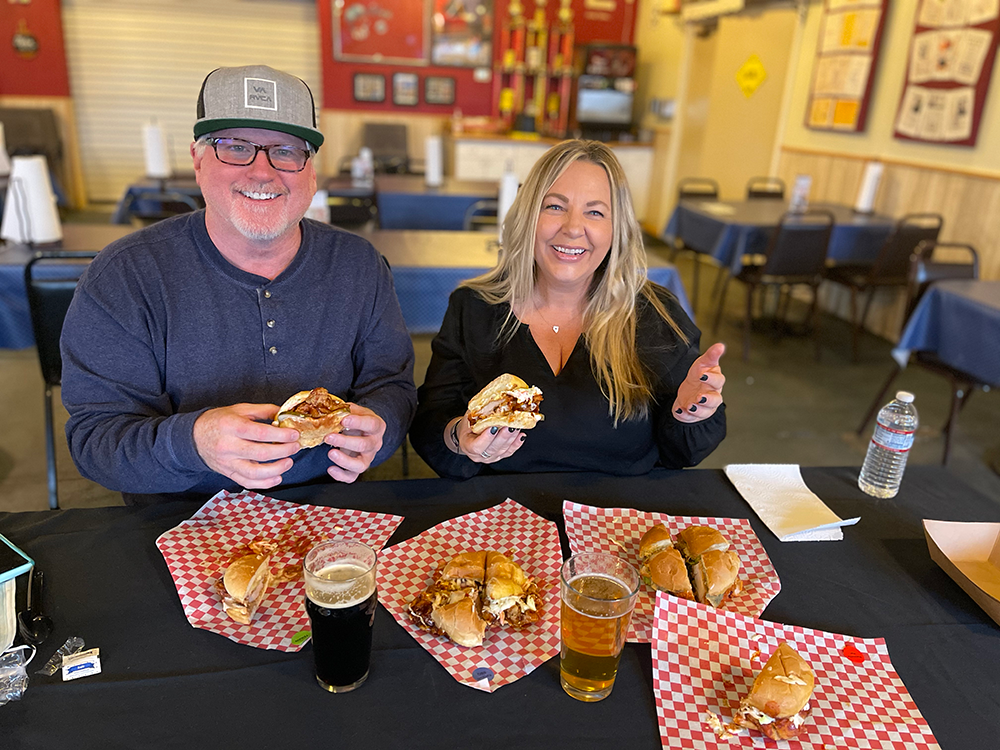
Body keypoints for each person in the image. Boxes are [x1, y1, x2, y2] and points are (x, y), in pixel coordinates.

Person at [60, 65, 416, 504]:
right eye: (236, 147)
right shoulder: (124, 276)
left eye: (285, 150)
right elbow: (96, 441)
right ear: (197, 158)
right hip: (178, 517)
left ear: (311, 170)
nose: (262, 172)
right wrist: (192, 442)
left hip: (333, 510)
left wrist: (378, 425)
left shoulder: (359, 265)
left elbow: (393, 388)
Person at [409, 139, 725, 479]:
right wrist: (460, 438)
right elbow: (431, 423)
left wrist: (689, 414)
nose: (573, 228)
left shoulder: (655, 312)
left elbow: (682, 454)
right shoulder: (473, 307)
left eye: (595, 212)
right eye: (555, 207)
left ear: (616, 229)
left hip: (619, 521)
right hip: (504, 520)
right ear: (529, 215)